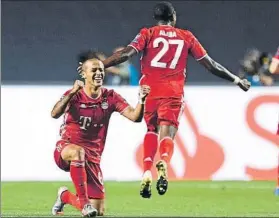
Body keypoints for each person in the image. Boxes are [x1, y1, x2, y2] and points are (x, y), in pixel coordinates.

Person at [82, 1, 251, 199]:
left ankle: (146, 171)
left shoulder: (147, 33)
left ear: (157, 19)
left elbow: (126, 54)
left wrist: (101, 64)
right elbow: (210, 65)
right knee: (168, 133)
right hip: (173, 92)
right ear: (174, 17)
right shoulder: (186, 36)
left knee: (151, 130)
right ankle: (163, 161)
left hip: (149, 92)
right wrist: (237, 79)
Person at [51, 52, 150, 217]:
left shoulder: (110, 97)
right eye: (94, 70)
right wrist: (71, 93)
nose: (99, 74)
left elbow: (135, 117)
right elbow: (54, 113)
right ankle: (84, 204)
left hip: (92, 157)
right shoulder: (75, 94)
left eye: (101, 70)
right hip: (66, 150)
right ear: (84, 74)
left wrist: (142, 100)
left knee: (99, 211)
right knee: (77, 152)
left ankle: (65, 196)